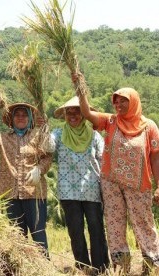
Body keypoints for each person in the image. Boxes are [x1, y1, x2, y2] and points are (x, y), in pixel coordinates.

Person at [74, 77, 159, 274]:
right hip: (111, 183)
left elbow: (155, 158)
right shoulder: (111, 121)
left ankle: (151, 263)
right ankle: (122, 265)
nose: (118, 104)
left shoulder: (149, 127)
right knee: (114, 222)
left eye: (123, 100)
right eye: (116, 101)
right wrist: (79, 87)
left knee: (144, 223)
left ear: (134, 101)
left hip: (140, 185)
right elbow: (87, 113)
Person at [0, 102, 52, 256]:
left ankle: (44, 268)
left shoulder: (37, 135)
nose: (20, 117)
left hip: (34, 193)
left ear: (30, 118)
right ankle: (21, 268)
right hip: (9, 194)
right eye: (17, 115)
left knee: (38, 234)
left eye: (24, 115)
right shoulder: (1, 137)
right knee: (16, 237)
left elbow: (47, 157)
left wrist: (39, 169)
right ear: (11, 119)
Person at [51, 96, 109, 273]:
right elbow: (46, 147)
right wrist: (41, 129)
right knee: (75, 230)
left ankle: (101, 266)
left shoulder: (95, 136)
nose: (73, 115)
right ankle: (83, 266)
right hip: (68, 191)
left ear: (84, 115)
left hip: (92, 190)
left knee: (96, 229)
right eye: (69, 112)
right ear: (65, 116)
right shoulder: (57, 135)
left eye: (77, 111)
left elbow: (103, 161)